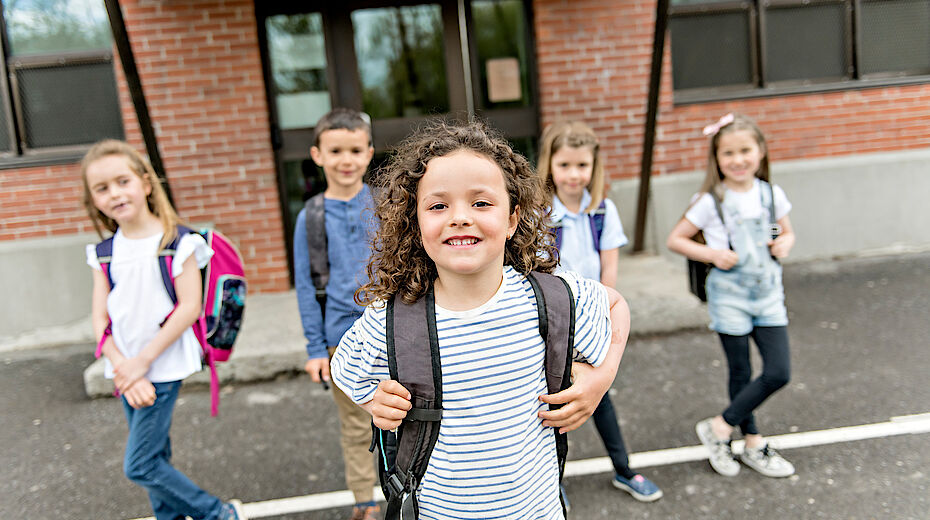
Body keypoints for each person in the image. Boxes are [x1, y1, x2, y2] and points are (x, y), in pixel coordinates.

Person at [331, 120, 629, 519]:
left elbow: (615, 305)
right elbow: (344, 367)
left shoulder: (549, 296)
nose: (460, 217)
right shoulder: (393, 316)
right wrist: (373, 401)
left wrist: (600, 379)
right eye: (438, 206)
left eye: (481, 203)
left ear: (512, 219)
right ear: (415, 224)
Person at [82, 140, 246, 520]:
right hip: (126, 369)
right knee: (155, 459)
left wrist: (142, 363)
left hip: (162, 365)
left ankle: (218, 514)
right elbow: (100, 320)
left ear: (145, 183)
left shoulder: (179, 244)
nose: (114, 194)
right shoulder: (104, 252)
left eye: (122, 181)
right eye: (102, 188)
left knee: (139, 465)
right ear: (93, 199)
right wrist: (123, 368)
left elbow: (189, 308)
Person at [537, 121, 663, 502]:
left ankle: (624, 470)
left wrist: (606, 321)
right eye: (564, 165)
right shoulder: (538, 214)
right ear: (549, 166)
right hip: (550, 325)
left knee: (599, 396)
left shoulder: (602, 213)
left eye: (582, 166)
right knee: (550, 407)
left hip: (590, 325)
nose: (574, 175)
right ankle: (549, 483)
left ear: (594, 168)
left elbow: (609, 276)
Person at [666, 113, 796, 478]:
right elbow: (676, 239)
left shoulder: (771, 194)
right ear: (717, 158)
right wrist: (713, 254)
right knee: (741, 370)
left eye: (745, 151)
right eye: (728, 154)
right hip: (730, 295)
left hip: (768, 294)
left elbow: (785, 233)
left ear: (761, 151)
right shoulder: (711, 200)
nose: (737, 160)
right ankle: (752, 441)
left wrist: (784, 242)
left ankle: (719, 428)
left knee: (778, 371)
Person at [292, 108, 380, 520]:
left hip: (392, 330)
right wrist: (315, 348)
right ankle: (365, 500)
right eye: (336, 150)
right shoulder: (310, 217)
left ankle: (411, 494)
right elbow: (307, 289)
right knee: (356, 425)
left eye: (355, 150)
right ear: (318, 155)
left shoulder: (385, 205)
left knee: (404, 417)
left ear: (369, 154)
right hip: (339, 339)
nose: (346, 159)